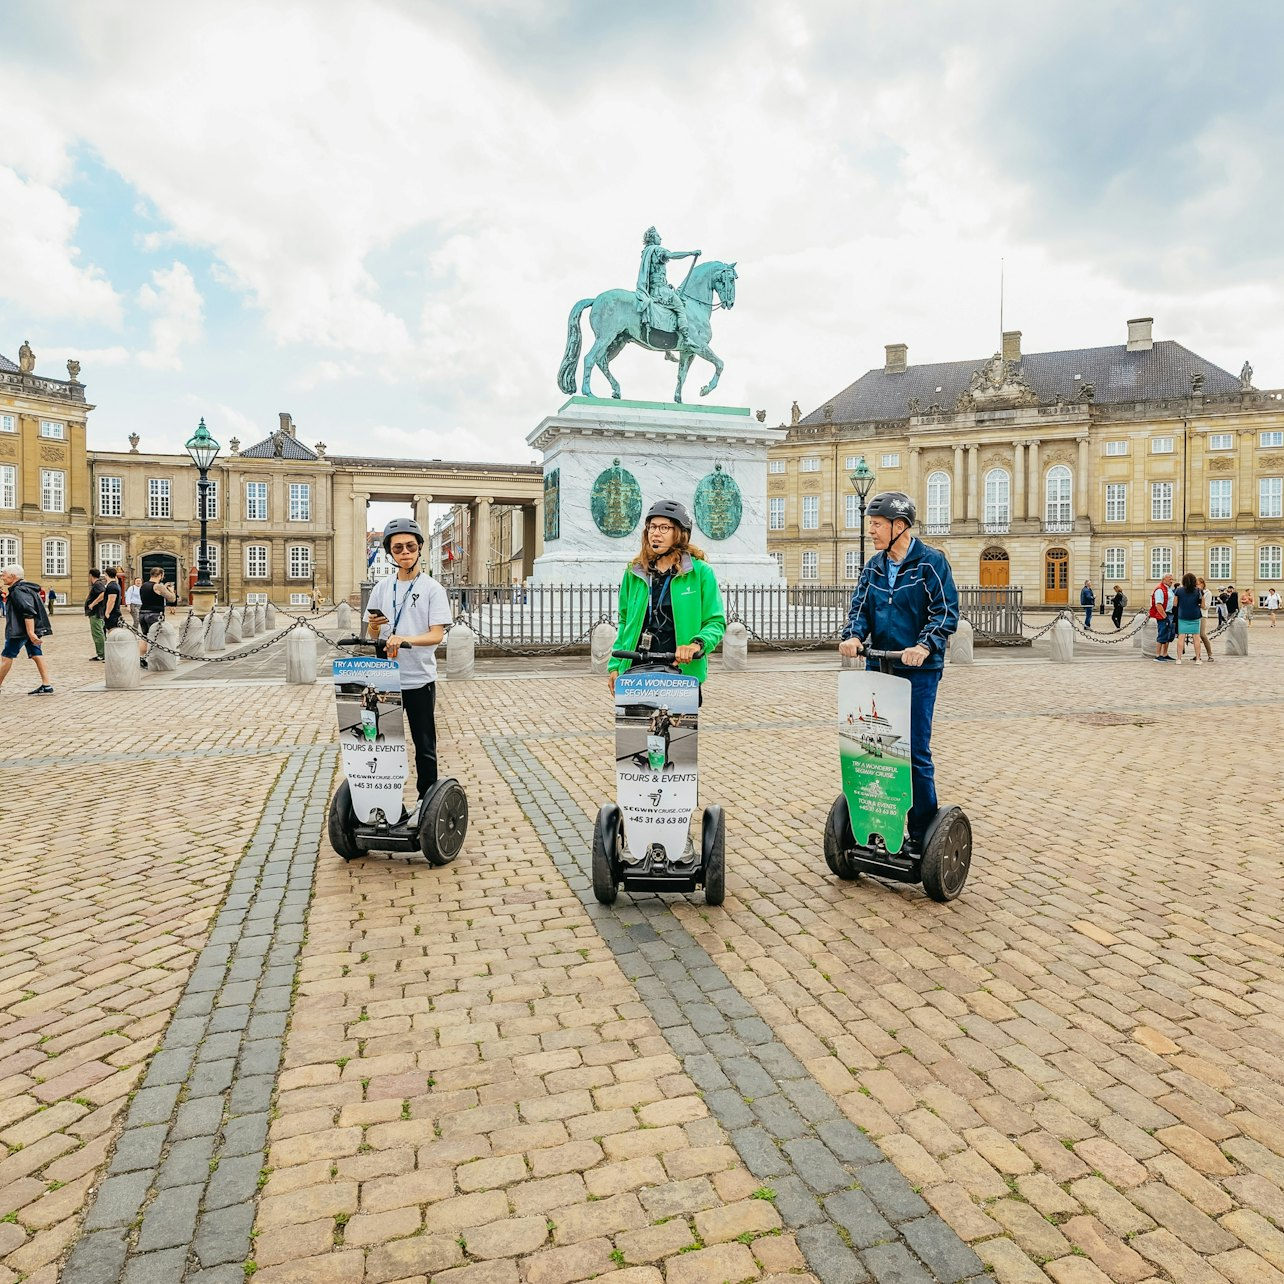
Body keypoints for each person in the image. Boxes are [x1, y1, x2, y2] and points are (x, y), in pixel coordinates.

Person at [838, 491, 960, 854]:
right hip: (880, 665)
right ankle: (878, 823)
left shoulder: (930, 562)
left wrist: (924, 646)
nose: (871, 531)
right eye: (871, 524)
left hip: (918, 672)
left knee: (915, 752)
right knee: (875, 750)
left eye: (876, 524)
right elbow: (859, 608)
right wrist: (854, 636)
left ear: (900, 526)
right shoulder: (874, 566)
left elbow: (945, 612)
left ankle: (921, 833)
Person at [363, 517, 452, 822]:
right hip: (385, 682)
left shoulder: (432, 589)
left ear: (419, 550)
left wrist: (405, 639)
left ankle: (426, 805)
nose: (405, 552)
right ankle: (388, 803)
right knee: (384, 745)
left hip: (418, 680)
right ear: (390, 552)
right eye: (398, 547)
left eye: (410, 547)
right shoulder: (382, 588)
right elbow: (372, 636)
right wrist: (375, 629)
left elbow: (436, 634)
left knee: (424, 746)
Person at [607, 499, 726, 693]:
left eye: (664, 528)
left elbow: (716, 621)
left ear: (679, 534)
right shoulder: (635, 572)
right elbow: (624, 620)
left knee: (676, 722)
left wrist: (696, 644)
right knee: (634, 722)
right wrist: (615, 665)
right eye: (652, 527)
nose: (655, 533)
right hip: (637, 665)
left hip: (680, 667)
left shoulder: (700, 573)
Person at [635, 227, 700, 348]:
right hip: (660, 291)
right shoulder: (657, 250)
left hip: (654, 288)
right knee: (680, 308)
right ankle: (686, 338)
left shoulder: (646, 252)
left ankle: (668, 350)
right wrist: (690, 253)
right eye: (658, 236)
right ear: (653, 238)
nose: (661, 238)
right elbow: (671, 255)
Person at [0, 564, 54, 695]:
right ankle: (47, 685)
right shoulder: (27, 588)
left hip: (20, 631)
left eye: (4, 574)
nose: (2, 576)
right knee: (36, 654)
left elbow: (28, 611)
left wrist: (30, 632)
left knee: (6, 657)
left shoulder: (18, 590)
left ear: (13, 576)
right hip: (28, 630)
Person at [137, 567, 176, 668]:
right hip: (154, 614)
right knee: (157, 637)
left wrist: (164, 587)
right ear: (160, 575)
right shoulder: (158, 586)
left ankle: (141, 658)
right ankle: (156, 659)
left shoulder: (143, 585)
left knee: (144, 636)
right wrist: (171, 590)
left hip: (142, 613)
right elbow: (171, 599)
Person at [1172, 572, 1206, 664]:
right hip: (1195, 616)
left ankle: (1179, 659)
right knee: (1196, 638)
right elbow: (1203, 605)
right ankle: (1198, 659)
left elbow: (1174, 604)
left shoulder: (1178, 590)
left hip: (1182, 615)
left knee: (1181, 637)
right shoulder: (1199, 591)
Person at [1149, 573, 1176, 661]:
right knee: (1162, 633)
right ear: (1164, 580)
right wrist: (1165, 617)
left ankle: (1165, 654)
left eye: (1172, 579)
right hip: (1164, 614)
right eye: (1169, 579)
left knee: (1169, 634)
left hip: (1170, 613)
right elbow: (1158, 605)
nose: (1171, 581)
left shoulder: (1169, 589)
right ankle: (1157, 655)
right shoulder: (1160, 590)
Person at [85, 567, 108, 661]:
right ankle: (103, 653)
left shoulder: (98, 584)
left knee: (98, 633)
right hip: (96, 613)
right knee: (100, 633)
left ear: (91, 575)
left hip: (96, 613)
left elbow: (103, 594)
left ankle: (102, 654)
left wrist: (93, 603)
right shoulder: (97, 584)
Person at [1195, 577, 1216, 663]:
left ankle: (1210, 654)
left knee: (1202, 634)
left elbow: (1206, 606)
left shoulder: (1208, 593)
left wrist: (1199, 604)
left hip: (1202, 615)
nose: (1196, 586)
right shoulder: (1195, 592)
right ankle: (1197, 654)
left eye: (1198, 584)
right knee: (1195, 635)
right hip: (1195, 615)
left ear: (1202, 584)